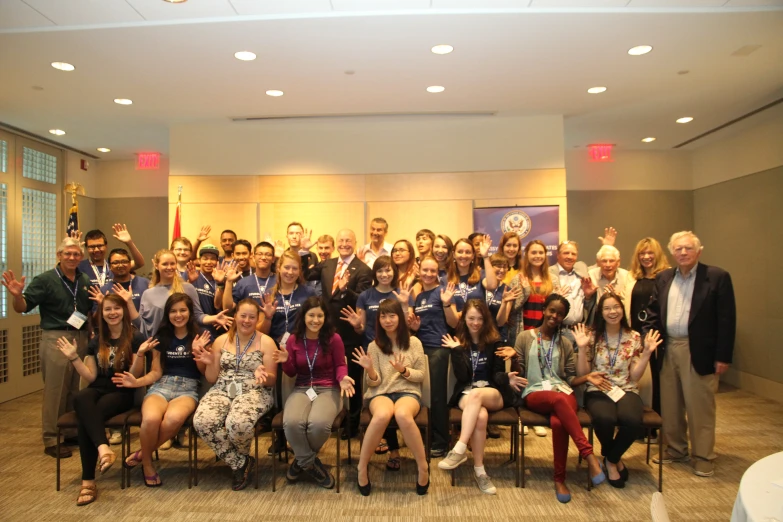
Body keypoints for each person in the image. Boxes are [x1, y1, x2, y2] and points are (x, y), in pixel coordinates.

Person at [644, 231, 736, 477]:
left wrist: (722, 356)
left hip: (698, 350)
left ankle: (704, 455)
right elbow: (653, 313)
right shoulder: (664, 278)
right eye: (678, 249)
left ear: (699, 251)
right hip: (667, 348)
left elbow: (726, 320)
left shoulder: (716, 277)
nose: (683, 253)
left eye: (688, 248)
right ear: (671, 252)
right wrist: (649, 339)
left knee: (700, 405)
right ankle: (676, 449)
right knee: (670, 404)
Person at [509, 294, 606, 503]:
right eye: (552, 310)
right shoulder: (525, 337)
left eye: (560, 314)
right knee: (559, 401)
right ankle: (589, 455)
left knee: (558, 421)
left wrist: (587, 377)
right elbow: (521, 372)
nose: (555, 316)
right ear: (544, 310)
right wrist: (515, 359)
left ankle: (560, 479)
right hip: (535, 392)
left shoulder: (564, 343)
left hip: (562, 390)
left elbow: (570, 377)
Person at [2, 237, 92, 458]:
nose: (72, 257)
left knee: (75, 388)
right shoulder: (45, 280)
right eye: (67, 253)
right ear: (59, 255)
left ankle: (70, 431)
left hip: (80, 336)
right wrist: (16, 296)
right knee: (56, 390)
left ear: (81, 257)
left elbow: (88, 309)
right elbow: (22, 307)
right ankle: (52, 438)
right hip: (56, 338)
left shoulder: (84, 278)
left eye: (76, 254)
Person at [56, 294, 147, 505]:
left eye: (117, 308)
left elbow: (135, 374)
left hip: (122, 391)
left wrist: (141, 355)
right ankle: (103, 448)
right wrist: (73, 357)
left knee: (85, 419)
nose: (112, 313)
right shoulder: (97, 340)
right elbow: (90, 377)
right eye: (107, 309)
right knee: (81, 397)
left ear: (123, 311)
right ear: (101, 313)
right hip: (98, 388)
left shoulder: (136, 337)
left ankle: (87, 482)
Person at [120, 293, 211, 486]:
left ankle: (142, 454)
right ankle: (147, 464)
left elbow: (203, 373)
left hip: (188, 388)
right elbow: (155, 372)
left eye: (183, 310)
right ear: (167, 314)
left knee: (173, 419)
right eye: (173, 311)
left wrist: (198, 352)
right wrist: (137, 382)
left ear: (190, 312)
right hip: (162, 385)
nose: (178, 315)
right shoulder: (161, 336)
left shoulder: (200, 335)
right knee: (151, 419)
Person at [574, 293, 662, 488]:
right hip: (598, 388)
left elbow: (635, 376)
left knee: (632, 421)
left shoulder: (634, 337)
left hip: (626, 388)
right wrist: (581, 349)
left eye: (616, 307)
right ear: (601, 312)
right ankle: (614, 460)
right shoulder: (591, 335)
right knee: (605, 419)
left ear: (623, 309)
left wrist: (647, 353)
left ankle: (611, 458)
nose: (612, 312)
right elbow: (583, 373)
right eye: (607, 308)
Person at [193, 299, 277, 490]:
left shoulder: (266, 342)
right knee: (203, 421)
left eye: (252, 317)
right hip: (222, 389)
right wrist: (209, 362)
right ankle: (240, 462)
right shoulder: (221, 340)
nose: (247, 320)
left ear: (258, 319)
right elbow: (212, 378)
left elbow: (272, 380)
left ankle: (238, 463)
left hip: (254, 391)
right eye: (243, 315)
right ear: (236, 316)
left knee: (238, 423)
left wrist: (264, 375)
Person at [272, 296, 354, 489]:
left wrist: (342, 378)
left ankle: (300, 461)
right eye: (311, 315)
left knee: (317, 424)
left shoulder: (333, 338)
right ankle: (309, 462)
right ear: (304, 316)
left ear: (325, 317)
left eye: (320, 316)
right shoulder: (294, 339)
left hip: (328, 388)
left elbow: (340, 365)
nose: (315, 320)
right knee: (291, 423)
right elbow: (291, 372)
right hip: (302, 387)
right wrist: (286, 360)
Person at [340, 255, 412, 467]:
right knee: (377, 396)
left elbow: (408, 327)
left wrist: (406, 305)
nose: (384, 274)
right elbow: (361, 328)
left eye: (388, 270)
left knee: (394, 394)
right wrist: (356, 325)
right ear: (375, 273)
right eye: (380, 270)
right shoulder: (365, 295)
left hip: (396, 352)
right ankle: (385, 442)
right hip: (371, 352)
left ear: (394, 272)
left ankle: (393, 446)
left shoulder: (401, 293)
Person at [352, 300, 428, 496]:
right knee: (382, 416)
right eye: (383, 316)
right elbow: (373, 384)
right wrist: (369, 370)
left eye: (392, 315)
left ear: (400, 318)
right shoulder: (374, 346)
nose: (387, 320)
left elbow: (420, 375)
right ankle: (362, 466)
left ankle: (423, 467)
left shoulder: (414, 343)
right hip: (381, 393)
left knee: (403, 415)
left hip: (407, 392)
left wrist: (403, 370)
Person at [437, 299, 513, 495]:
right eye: (471, 318)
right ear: (464, 319)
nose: (476, 323)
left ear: (485, 319)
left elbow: (497, 375)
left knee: (477, 394)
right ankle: (480, 472)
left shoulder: (495, 342)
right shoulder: (459, 342)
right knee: (480, 416)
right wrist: (456, 351)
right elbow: (462, 377)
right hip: (466, 393)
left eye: (480, 318)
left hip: (491, 392)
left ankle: (460, 448)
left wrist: (506, 377)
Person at [305, 229, 373, 436]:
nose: (344, 243)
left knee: (351, 379)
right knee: (329, 378)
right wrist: (304, 252)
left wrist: (345, 290)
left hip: (350, 333)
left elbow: (362, 298)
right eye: (341, 240)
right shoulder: (328, 264)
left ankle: (351, 426)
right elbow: (307, 274)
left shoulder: (363, 269)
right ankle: (328, 417)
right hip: (325, 331)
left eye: (348, 240)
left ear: (355, 242)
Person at [259, 250, 315, 455]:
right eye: (286, 267)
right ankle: (280, 438)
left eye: (294, 268)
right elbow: (261, 332)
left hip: (302, 350)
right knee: (278, 395)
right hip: (274, 351)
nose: (290, 272)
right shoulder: (269, 295)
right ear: (278, 269)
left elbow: (317, 322)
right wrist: (267, 317)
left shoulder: (308, 293)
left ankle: (302, 437)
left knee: (298, 394)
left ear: (300, 270)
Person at [409, 256, 458, 457]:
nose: (429, 274)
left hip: (439, 349)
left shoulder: (444, 292)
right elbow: (420, 325)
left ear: (438, 272)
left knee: (438, 396)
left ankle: (440, 441)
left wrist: (446, 304)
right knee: (422, 395)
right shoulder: (419, 296)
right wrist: (416, 328)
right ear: (419, 270)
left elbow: (454, 323)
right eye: (425, 270)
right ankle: (425, 438)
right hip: (421, 349)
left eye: (433, 270)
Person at [627, 237, 670, 442]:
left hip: (655, 337)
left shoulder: (666, 277)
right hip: (635, 336)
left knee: (656, 382)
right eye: (642, 253)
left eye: (650, 253)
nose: (646, 257)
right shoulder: (632, 278)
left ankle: (654, 427)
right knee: (638, 381)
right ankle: (637, 425)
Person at [137, 249, 231, 339]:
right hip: (156, 346)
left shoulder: (188, 288)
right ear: (156, 265)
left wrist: (213, 318)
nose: (169, 267)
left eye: (172, 263)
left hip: (182, 344)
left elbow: (197, 315)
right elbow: (142, 324)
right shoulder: (147, 294)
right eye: (165, 264)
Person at [508, 240, 560, 361]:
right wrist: (525, 292)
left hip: (546, 333)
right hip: (524, 333)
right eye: (534, 252)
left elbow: (555, 311)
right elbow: (512, 310)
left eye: (541, 253)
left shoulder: (553, 280)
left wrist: (558, 299)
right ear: (527, 255)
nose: (537, 256)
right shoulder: (518, 279)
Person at [549, 240, 595, 337]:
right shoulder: (549, 274)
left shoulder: (582, 272)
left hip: (579, 331)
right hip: (557, 330)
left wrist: (588, 297)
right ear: (558, 255)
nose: (570, 257)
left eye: (573, 254)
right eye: (566, 253)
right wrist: (555, 298)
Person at [78, 225, 145, 288]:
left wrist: (129, 243)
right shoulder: (79, 266)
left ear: (106, 246)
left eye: (100, 246)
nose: (96, 250)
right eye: (92, 247)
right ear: (86, 248)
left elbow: (139, 263)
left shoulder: (115, 265)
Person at [446, 236, 498, 314]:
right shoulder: (446, 279)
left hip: (478, 323)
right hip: (456, 324)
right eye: (460, 252)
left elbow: (492, 286)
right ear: (454, 254)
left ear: (473, 255)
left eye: (468, 252)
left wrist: (485, 256)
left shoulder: (480, 273)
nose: (464, 255)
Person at [223, 241, 276, 313]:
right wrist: (229, 281)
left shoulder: (280, 281)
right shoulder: (243, 283)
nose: (263, 257)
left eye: (268, 254)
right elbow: (227, 309)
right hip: (247, 323)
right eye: (259, 254)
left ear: (273, 259)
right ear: (253, 257)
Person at [586, 245, 632, 322]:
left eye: (611, 261)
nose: (608, 265)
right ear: (598, 263)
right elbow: (586, 306)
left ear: (618, 262)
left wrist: (616, 298)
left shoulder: (627, 277)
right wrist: (588, 296)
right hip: (597, 320)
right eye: (604, 261)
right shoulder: (590, 275)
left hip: (621, 321)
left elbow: (630, 305)